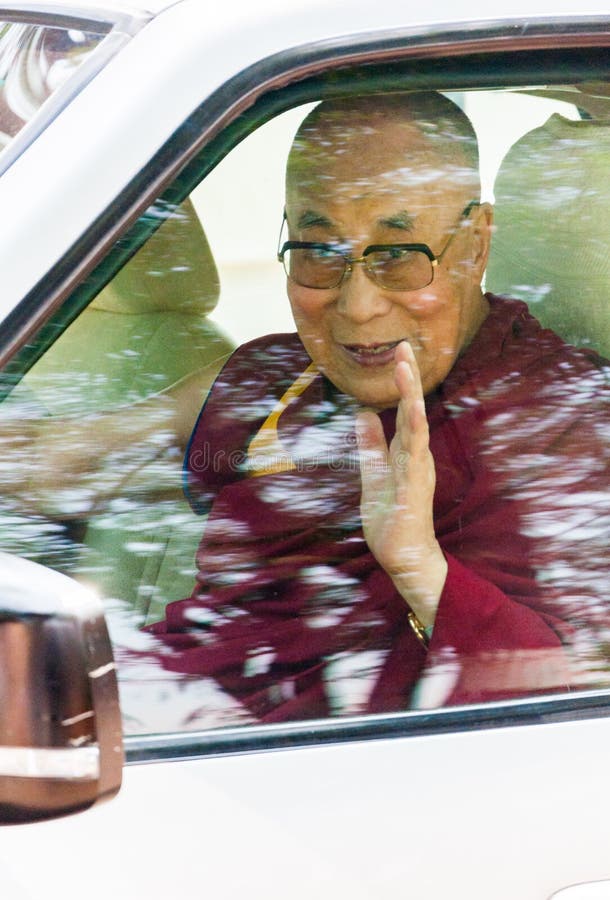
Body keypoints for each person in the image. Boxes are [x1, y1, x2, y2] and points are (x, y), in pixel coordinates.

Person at [143, 92, 610, 719]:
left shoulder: (563, 424)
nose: (357, 306)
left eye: (396, 254)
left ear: (473, 245)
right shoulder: (276, 378)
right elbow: (73, 459)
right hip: (175, 723)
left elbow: (569, 714)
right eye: (318, 251)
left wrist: (419, 568)